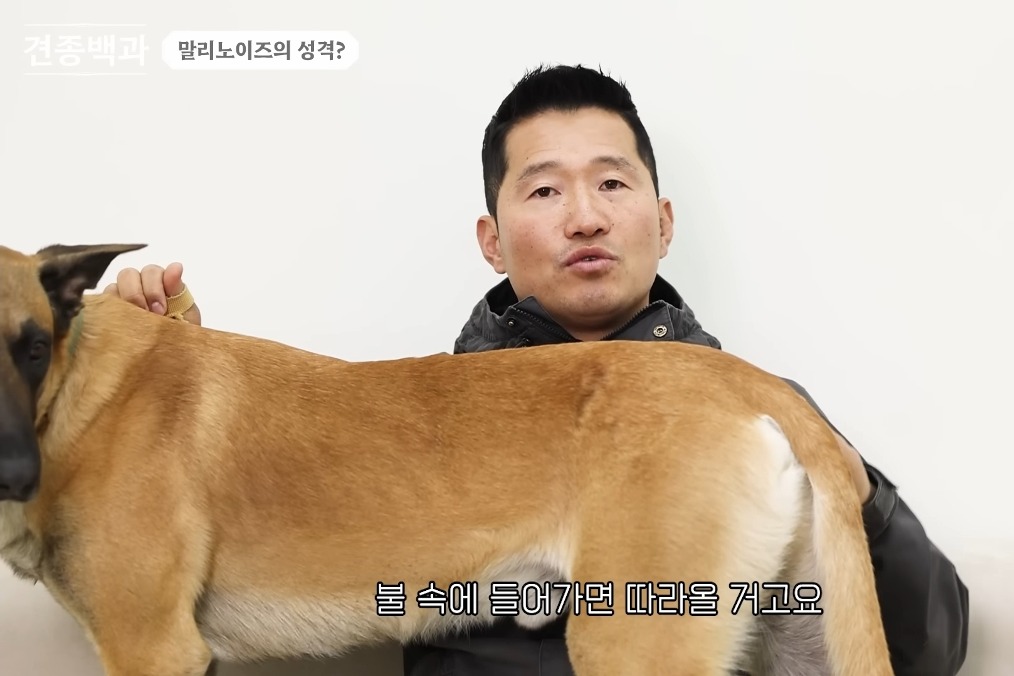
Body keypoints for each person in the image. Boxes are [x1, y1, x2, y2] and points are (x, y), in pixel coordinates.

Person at [104, 64, 969, 676]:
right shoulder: (400, 427)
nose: (584, 217)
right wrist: (163, 388)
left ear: (664, 222)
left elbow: (927, 647)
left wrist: (860, 497)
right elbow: (286, 572)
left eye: (613, 185)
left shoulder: (755, 418)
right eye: (545, 190)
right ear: (492, 241)